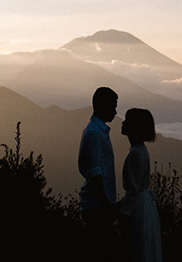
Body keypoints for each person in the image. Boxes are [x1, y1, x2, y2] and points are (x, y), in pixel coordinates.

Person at [78, 86, 119, 261]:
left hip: (97, 206)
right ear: (102, 106)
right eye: (113, 106)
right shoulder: (95, 134)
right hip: (97, 207)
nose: (116, 112)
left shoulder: (97, 131)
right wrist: (107, 207)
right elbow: (95, 174)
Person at [119, 108, 162, 262]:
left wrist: (122, 212)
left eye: (127, 121)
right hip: (143, 206)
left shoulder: (136, 153)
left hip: (136, 208)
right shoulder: (140, 150)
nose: (123, 123)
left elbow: (133, 191)